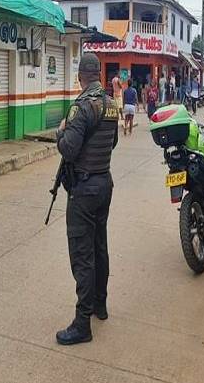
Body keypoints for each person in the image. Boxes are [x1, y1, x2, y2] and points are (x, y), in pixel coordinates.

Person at [54, 52, 119, 345]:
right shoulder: (110, 104)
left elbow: (69, 149)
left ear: (80, 76)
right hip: (104, 182)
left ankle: (82, 324)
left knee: (82, 254)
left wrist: (60, 134)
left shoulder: (81, 107)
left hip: (84, 188)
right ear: (99, 74)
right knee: (99, 247)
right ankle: (99, 305)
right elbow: (112, 142)